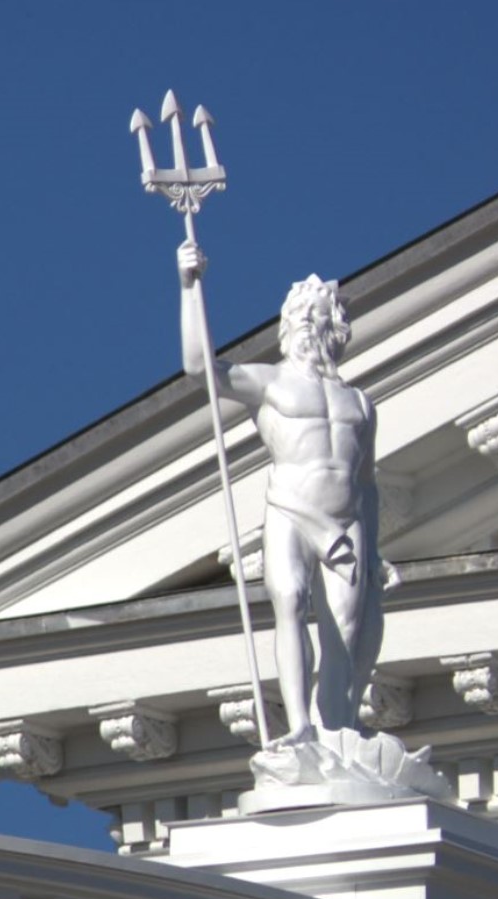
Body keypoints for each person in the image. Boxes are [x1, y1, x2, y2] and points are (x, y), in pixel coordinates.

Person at [179, 241, 384, 744]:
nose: (315, 326)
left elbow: (367, 483)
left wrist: (375, 551)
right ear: (291, 323)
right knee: (290, 599)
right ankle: (300, 726)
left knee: (346, 631)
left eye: (325, 316)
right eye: (307, 316)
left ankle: (337, 729)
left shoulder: (359, 402)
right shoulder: (271, 382)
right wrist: (189, 287)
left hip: (347, 521)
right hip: (291, 506)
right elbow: (200, 369)